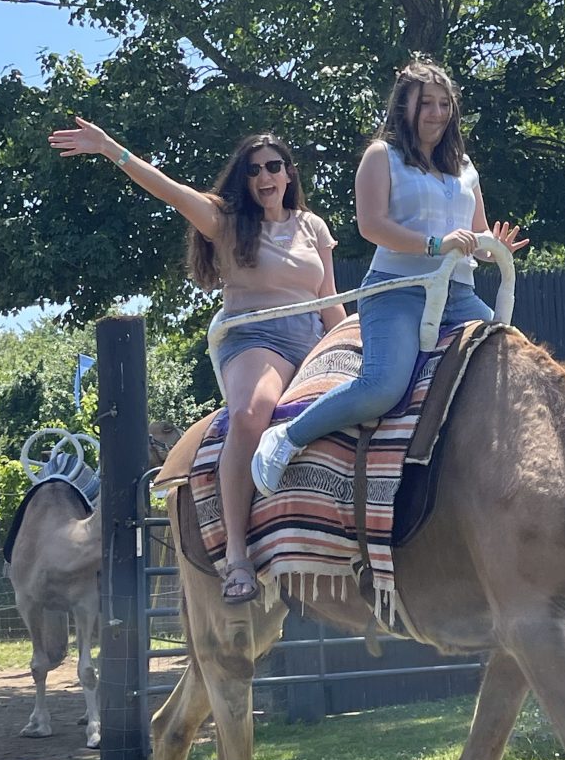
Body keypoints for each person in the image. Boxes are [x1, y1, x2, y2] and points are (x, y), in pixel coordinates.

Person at [48, 118, 344, 604]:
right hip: (254, 337)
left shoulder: (312, 226)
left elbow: (330, 301)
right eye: (254, 170)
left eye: (274, 166)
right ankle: (236, 556)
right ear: (245, 180)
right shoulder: (226, 221)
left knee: (370, 405)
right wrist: (109, 149)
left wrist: (352, 345)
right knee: (252, 414)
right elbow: (168, 190)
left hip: (311, 339)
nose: (265, 176)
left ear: (290, 174)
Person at [251, 59, 527, 494]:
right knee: (383, 387)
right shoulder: (382, 156)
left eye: (444, 104)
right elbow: (371, 225)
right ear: (405, 109)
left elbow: (474, 232)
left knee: (515, 359)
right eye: (426, 104)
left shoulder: (465, 167)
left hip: (458, 293)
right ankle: (286, 437)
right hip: (397, 291)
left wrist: (495, 248)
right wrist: (435, 244)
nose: (437, 113)